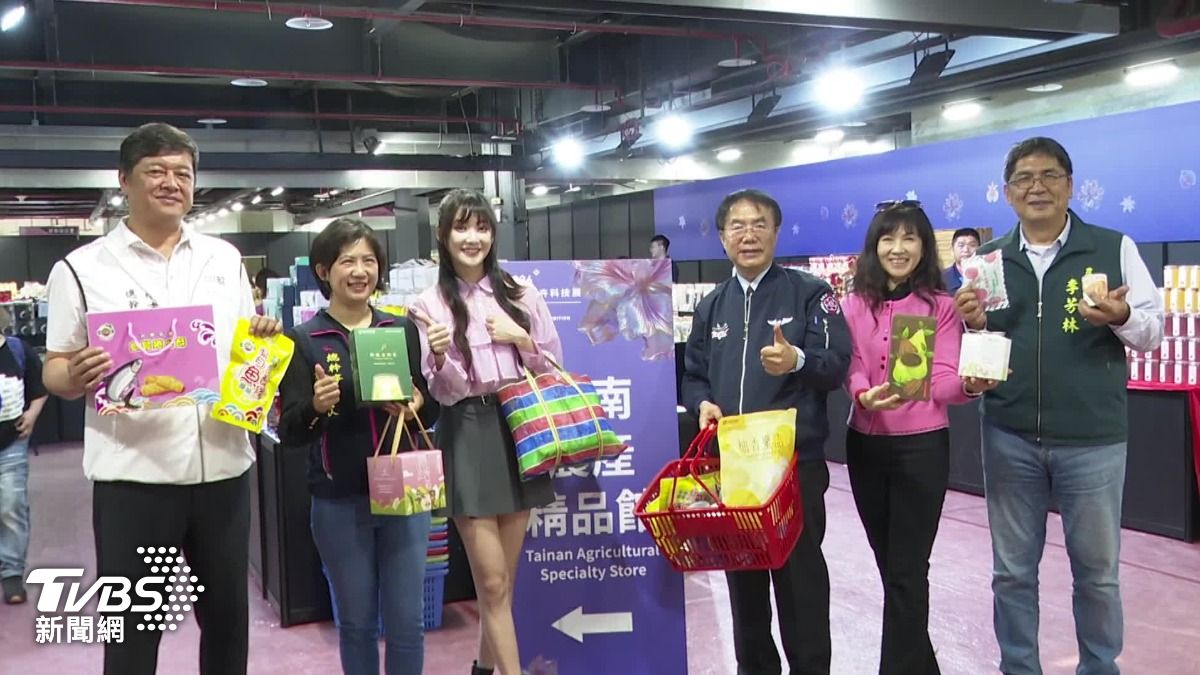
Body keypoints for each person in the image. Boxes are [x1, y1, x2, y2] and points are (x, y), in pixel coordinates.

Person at [42, 122, 281, 675]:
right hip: (134, 480)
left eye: (183, 173)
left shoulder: (223, 259)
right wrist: (73, 373)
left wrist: (262, 344)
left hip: (223, 470)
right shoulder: (80, 269)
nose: (172, 183)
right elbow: (54, 368)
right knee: (131, 635)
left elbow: (243, 348)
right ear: (124, 180)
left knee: (227, 626)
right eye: (156, 171)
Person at [954, 137, 1163, 675]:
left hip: (1093, 441)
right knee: (1012, 574)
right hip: (1008, 435)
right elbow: (981, 349)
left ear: (1070, 186)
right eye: (1024, 178)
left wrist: (1120, 317)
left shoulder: (1113, 248)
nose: (1037, 187)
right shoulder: (988, 262)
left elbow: (1152, 332)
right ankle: (1019, 667)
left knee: (1097, 574)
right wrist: (974, 324)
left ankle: (1099, 666)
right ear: (1007, 193)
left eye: (1049, 175)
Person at [681, 188, 852, 675]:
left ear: (777, 232)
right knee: (744, 586)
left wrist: (796, 360)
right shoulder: (712, 306)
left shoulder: (810, 294)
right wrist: (702, 403)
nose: (748, 235)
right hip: (733, 469)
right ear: (722, 237)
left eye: (759, 224)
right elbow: (693, 374)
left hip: (793, 466)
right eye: (737, 226)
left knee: (800, 584)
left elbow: (835, 363)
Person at [407, 189, 562, 675]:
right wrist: (438, 355)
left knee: (503, 583)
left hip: (519, 429)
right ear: (443, 235)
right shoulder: (428, 304)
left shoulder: (521, 293)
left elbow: (554, 366)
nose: (472, 238)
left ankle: (482, 669)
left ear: (493, 234)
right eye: (461, 228)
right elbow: (445, 392)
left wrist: (522, 338)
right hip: (467, 432)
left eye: (481, 227)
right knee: (492, 583)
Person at [842, 201, 997, 674]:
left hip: (922, 449)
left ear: (925, 247)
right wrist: (863, 395)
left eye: (909, 238)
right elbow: (853, 367)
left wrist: (970, 386)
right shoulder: (854, 305)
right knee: (893, 571)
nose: (898, 248)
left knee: (908, 571)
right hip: (866, 447)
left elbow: (942, 379)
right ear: (874, 247)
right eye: (888, 238)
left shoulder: (938, 307)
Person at [278, 218, 437, 675]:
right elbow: (291, 430)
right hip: (339, 500)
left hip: (404, 495)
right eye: (348, 261)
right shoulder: (304, 340)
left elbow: (428, 410)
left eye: (369, 260)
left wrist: (418, 403)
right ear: (324, 271)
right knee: (357, 624)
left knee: (408, 624)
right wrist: (315, 405)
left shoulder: (399, 329)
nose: (360, 271)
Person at [0, 324, 49, 605]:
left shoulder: (18, 350)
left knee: (11, 503)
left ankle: (11, 572)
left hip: (11, 443)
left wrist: (31, 415)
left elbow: (39, 389)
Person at [942, 227, 981, 293]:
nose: (966, 250)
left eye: (972, 245)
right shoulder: (941, 278)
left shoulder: (989, 276)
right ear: (952, 250)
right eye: (961, 245)